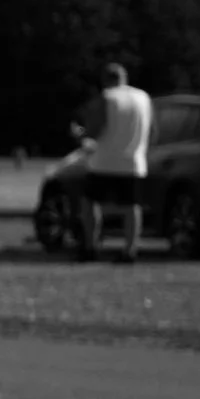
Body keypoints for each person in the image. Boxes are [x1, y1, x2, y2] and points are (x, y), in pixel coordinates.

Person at [71, 61, 151, 262]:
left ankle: (91, 246)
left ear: (105, 79)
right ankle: (130, 249)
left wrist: (78, 133)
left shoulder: (106, 97)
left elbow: (93, 131)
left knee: (89, 202)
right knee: (132, 206)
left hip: (104, 161)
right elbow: (153, 130)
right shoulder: (143, 97)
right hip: (134, 161)